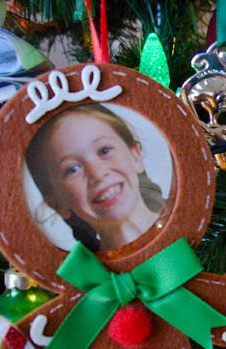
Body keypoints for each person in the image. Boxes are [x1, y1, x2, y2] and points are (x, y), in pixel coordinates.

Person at [25, 104, 169, 252]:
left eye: (104, 151)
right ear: (57, 204)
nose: (97, 173)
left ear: (135, 156)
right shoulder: (85, 273)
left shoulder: (189, 222)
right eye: (72, 169)